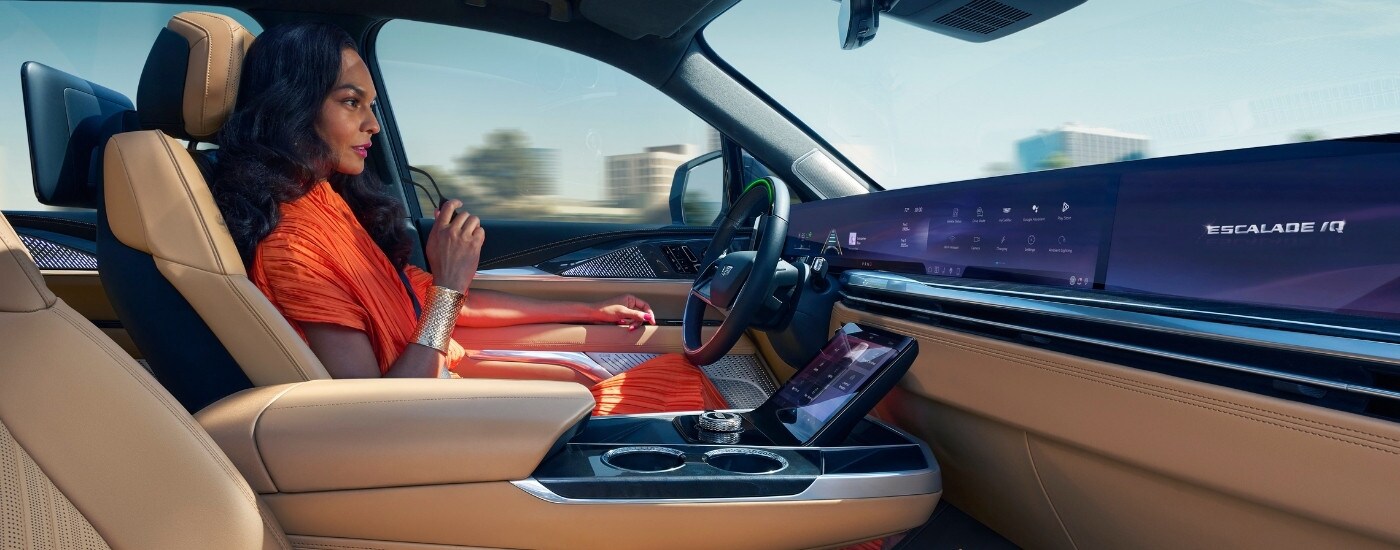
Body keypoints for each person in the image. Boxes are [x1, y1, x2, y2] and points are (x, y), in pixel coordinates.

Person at [210, 22, 726, 415]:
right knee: (680, 398)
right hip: (427, 422)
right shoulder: (294, 247)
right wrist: (449, 285)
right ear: (294, 106)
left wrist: (591, 307)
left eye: (370, 105)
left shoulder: (325, 205)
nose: (373, 125)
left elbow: (436, 305)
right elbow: (373, 413)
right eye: (351, 103)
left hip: (442, 389)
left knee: (665, 381)